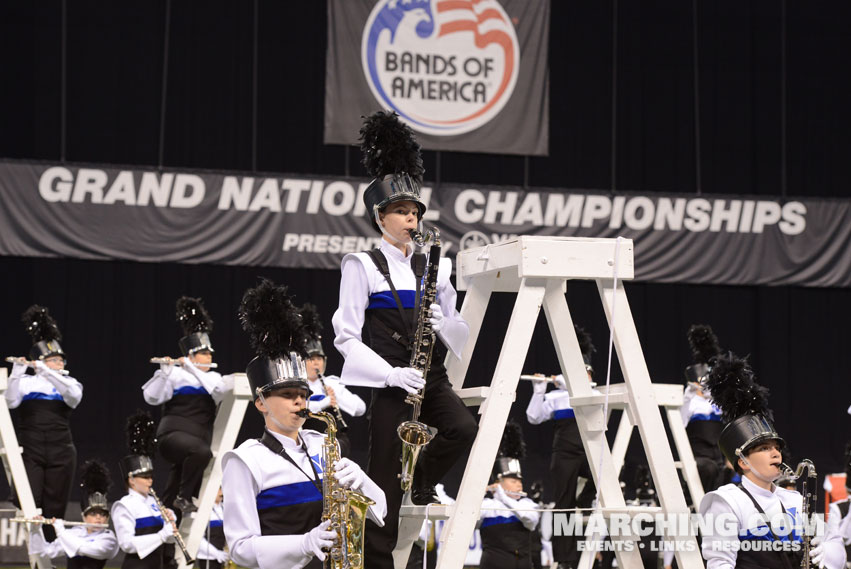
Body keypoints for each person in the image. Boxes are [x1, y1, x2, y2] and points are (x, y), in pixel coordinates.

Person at [332, 111, 477, 568]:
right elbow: (345, 339)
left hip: (429, 376)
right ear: (381, 217)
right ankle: (378, 561)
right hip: (393, 380)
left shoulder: (438, 264)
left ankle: (421, 479)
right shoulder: (361, 265)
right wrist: (390, 373)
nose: (411, 220)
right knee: (383, 479)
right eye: (401, 212)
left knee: (463, 428)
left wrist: (439, 321)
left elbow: (459, 333)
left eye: (415, 212)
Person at [223, 278, 387, 569]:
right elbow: (240, 548)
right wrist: (304, 544)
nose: (300, 402)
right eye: (288, 395)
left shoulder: (323, 443)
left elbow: (381, 511)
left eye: (303, 394)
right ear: (260, 402)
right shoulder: (246, 460)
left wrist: (360, 479)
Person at [699, 353, 846, 569]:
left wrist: (827, 551)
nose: (776, 453)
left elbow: (836, 545)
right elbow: (719, 564)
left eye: (777, 447)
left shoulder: (794, 500)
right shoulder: (726, 501)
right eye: (764, 448)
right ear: (743, 461)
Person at [143, 296, 230, 516]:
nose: (208, 356)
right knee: (201, 453)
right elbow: (151, 398)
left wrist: (191, 367)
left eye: (210, 353)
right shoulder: (175, 374)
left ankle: (170, 508)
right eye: (204, 353)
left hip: (196, 436)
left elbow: (218, 392)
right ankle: (184, 497)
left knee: (182, 470)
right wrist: (164, 373)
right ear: (190, 355)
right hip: (172, 435)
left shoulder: (215, 377)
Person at [525, 324, 598, 569]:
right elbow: (534, 418)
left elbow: (591, 399)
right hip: (564, 451)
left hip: (592, 451)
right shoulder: (556, 396)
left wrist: (569, 384)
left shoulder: (598, 393)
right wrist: (539, 391)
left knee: (606, 482)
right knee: (562, 504)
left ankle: (586, 498)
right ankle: (565, 560)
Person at [7, 305, 82, 541]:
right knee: (28, 500)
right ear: (40, 360)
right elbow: (10, 402)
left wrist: (48, 371)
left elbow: (74, 397)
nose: (59, 363)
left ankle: (48, 554)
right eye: (54, 360)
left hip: (61, 448)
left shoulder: (70, 383)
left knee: (54, 508)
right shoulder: (27, 383)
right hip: (33, 446)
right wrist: (17, 372)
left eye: (60, 359)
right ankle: (35, 547)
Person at [112, 411, 176, 569]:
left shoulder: (154, 501)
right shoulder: (124, 505)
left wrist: (171, 521)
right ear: (132, 480)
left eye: (151, 476)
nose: (150, 480)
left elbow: (169, 539)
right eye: (145, 477)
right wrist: (161, 536)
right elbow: (127, 544)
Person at [27, 459, 120, 569]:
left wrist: (61, 531)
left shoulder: (109, 539)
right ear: (84, 517)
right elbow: (45, 552)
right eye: (93, 514)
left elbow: (82, 548)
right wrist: (35, 530)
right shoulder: (75, 533)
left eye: (103, 514)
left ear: (107, 518)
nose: (98, 518)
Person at [298, 312, 366, 458]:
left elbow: (360, 408)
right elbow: (300, 409)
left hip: (334, 440)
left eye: (319, 358)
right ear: (303, 362)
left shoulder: (332, 383)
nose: (316, 362)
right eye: (311, 359)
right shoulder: (298, 386)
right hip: (306, 442)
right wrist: (326, 402)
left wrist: (336, 398)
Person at [478, 422, 540, 569]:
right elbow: (466, 517)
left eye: (520, 482)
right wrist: (479, 493)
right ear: (499, 482)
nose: (519, 485)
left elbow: (531, 520)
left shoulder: (527, 505)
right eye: (513, 481)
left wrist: (504, 497)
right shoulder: (487, 505)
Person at [680, 324, 726, 494]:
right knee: (708, 469)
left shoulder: (717, 404)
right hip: (698, 456)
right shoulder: (690, 401)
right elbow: (681, 421)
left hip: (718, 455)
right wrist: (691, 393)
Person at [196, 488, 228, 569]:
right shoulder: (204, 510)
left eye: (222, 489)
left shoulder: (225, 508)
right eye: (219, 489)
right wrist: (216, 553)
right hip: (207, 557)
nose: (221, 492)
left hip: (222, 556)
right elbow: (198, 538)